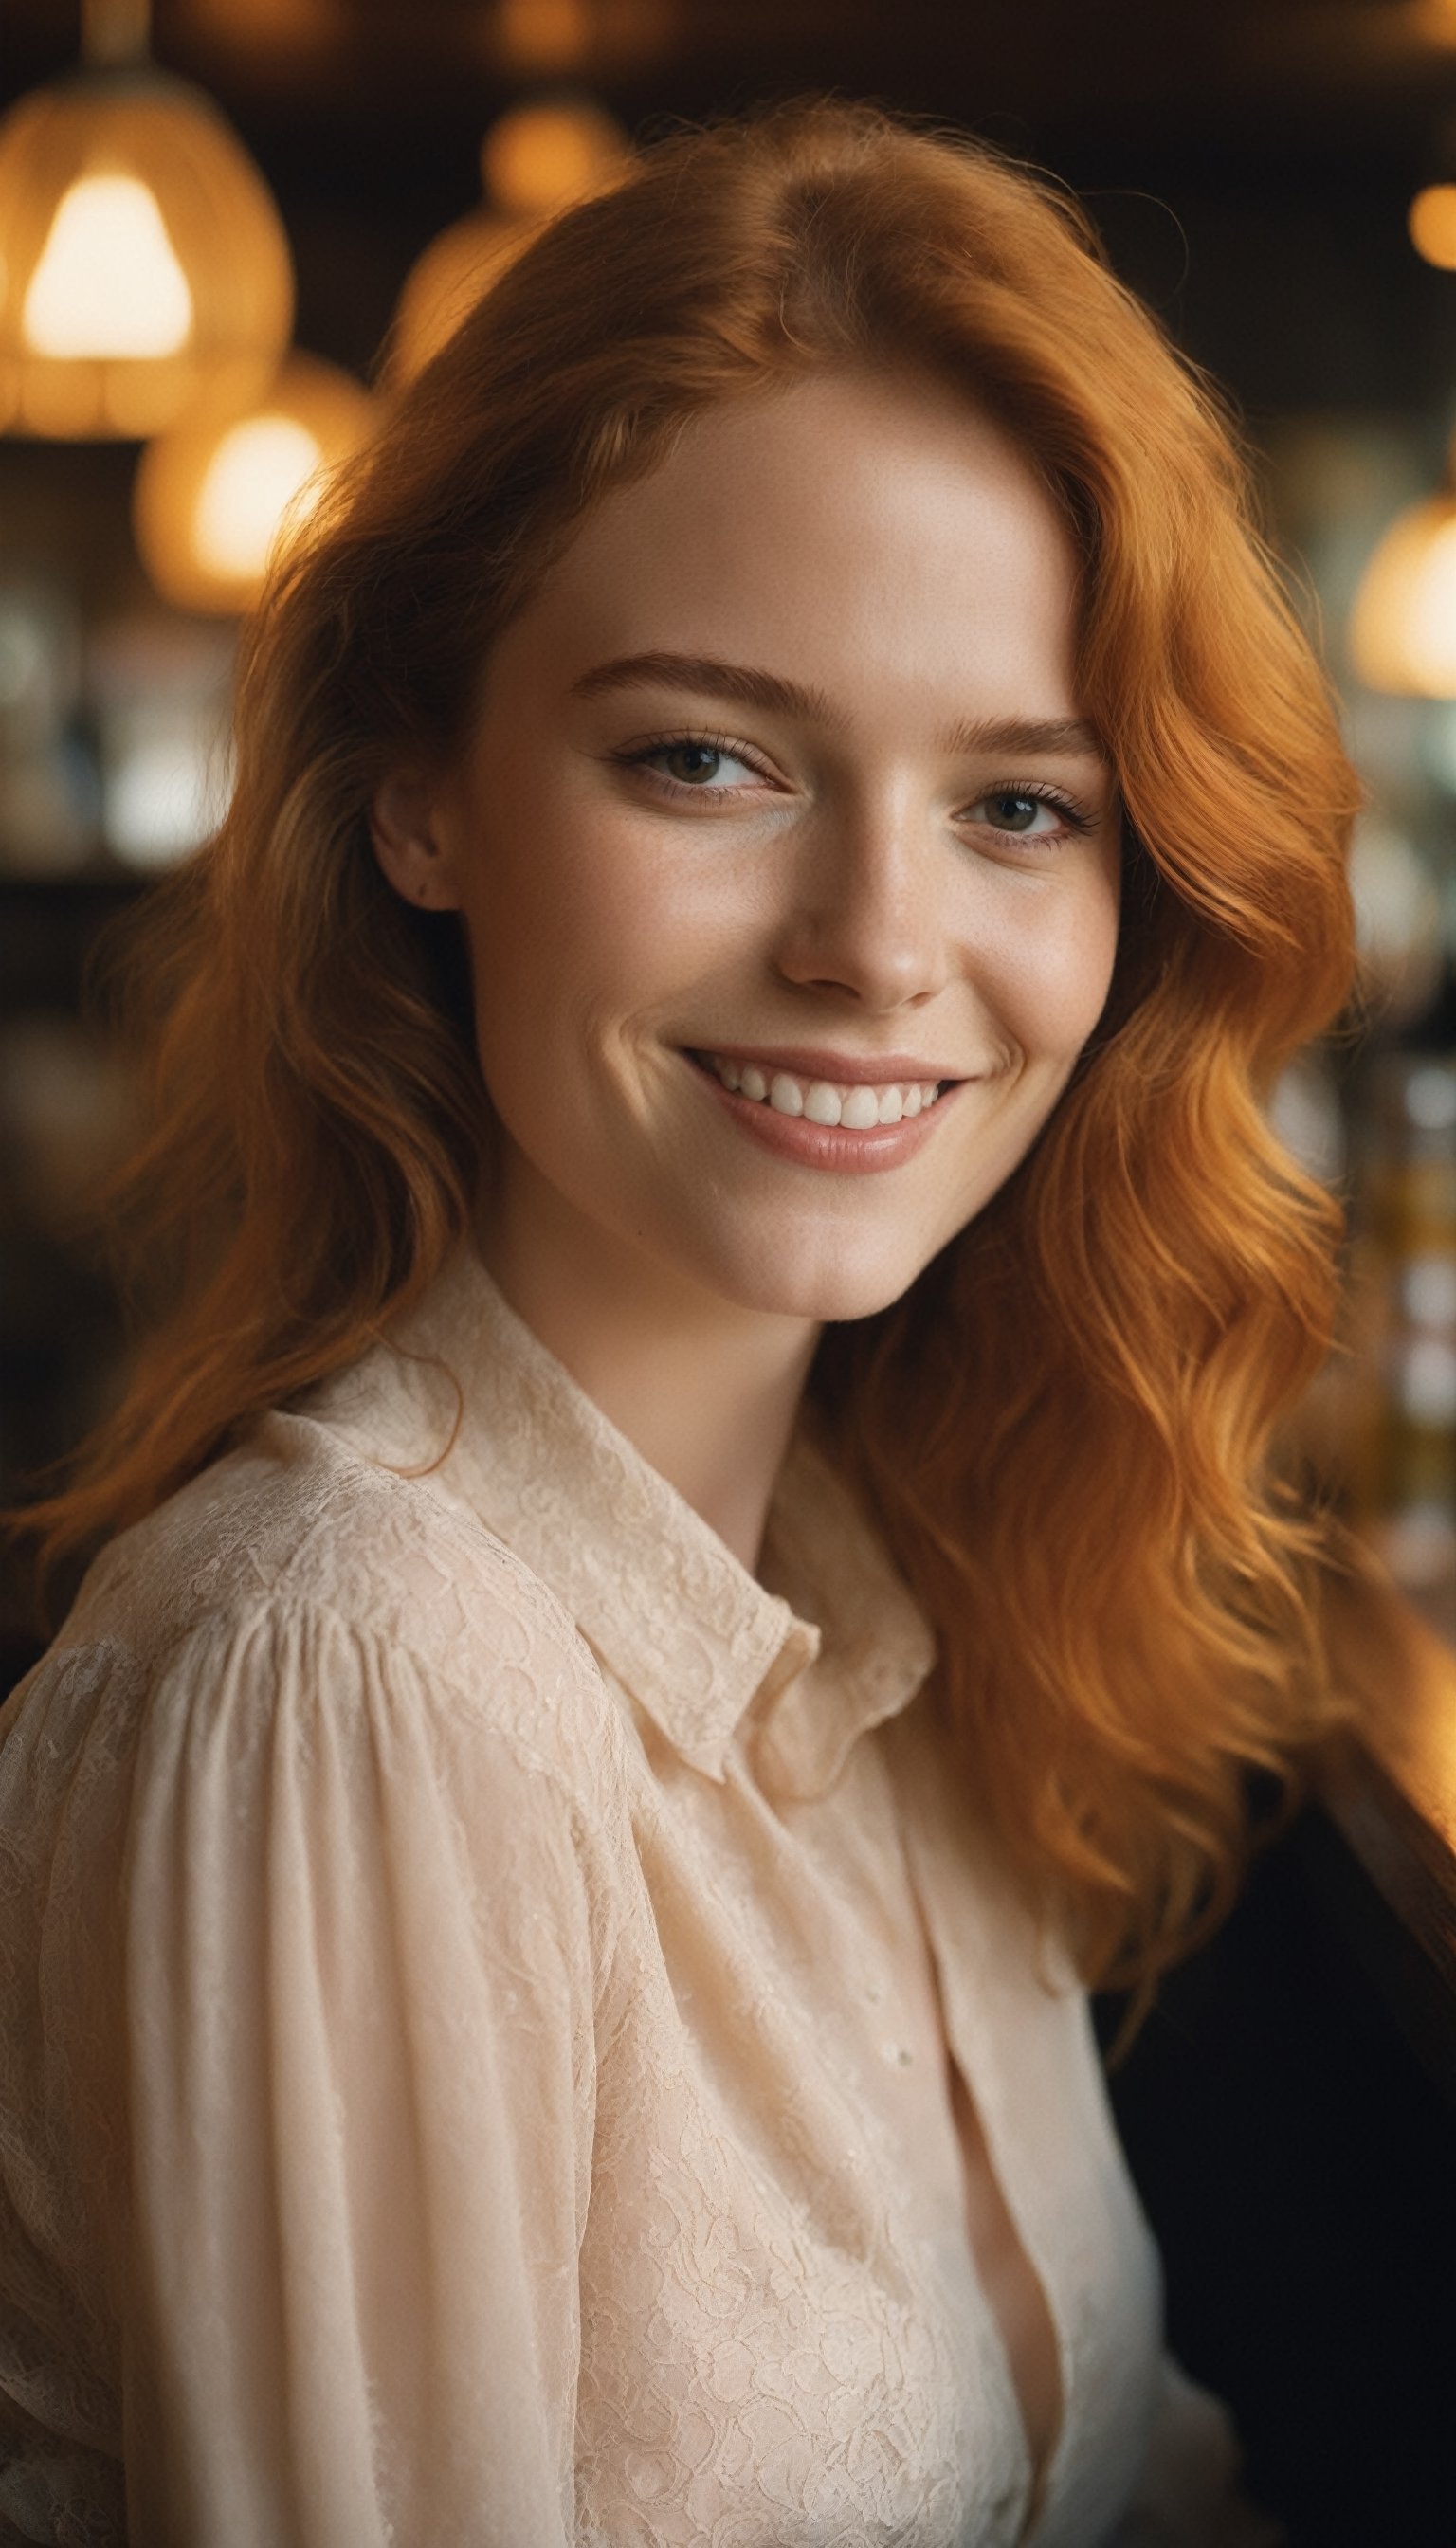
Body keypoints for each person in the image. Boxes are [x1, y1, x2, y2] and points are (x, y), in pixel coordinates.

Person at [0, 95, 1359, 2548]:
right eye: (707, 759)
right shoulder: (354, 1683)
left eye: (1020, 806)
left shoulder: (885, 1557)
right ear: (424, 795)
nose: (875, 942)